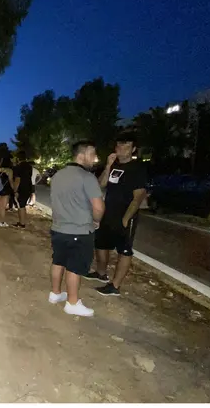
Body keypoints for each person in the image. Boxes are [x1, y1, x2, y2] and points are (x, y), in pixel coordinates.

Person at [49, 141, 104, 317]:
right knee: (74, 266)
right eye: (92, 154)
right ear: (82, 155)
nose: (95, 159)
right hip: (79, 231)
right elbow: (98, 207)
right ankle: (72, 303)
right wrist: (96, 221)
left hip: (58, 228)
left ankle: (55, 294)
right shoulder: (87, 177)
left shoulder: (58, 175)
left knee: (58, 261)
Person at [90, 132, 148, 297]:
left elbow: (138, 197)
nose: (121, 149)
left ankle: (115, 286)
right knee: (100, 243)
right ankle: (101, 273)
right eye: (119, 145)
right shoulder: (114, 165)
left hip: (125, 215)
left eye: (126, 146)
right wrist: (108, 165)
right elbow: (101, 185)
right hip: (108, 212)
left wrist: (125, 219)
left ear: (133, 149)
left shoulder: (137, 169)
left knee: (124, 250)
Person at [12, 151, 34, 229]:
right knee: (23, 205)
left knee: (20, 206)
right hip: (28, 188)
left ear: (18, 158)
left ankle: (22, 224)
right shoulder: (29, 166)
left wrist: (15, 190)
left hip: (21, 189)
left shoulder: (18, 167)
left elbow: (17, 180)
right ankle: (22, 222)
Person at [0, 158, 14, 227]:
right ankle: (2, 222)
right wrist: (14, 189)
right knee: (3, 207)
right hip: (5, 190)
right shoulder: (9, 170)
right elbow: (10, 181)